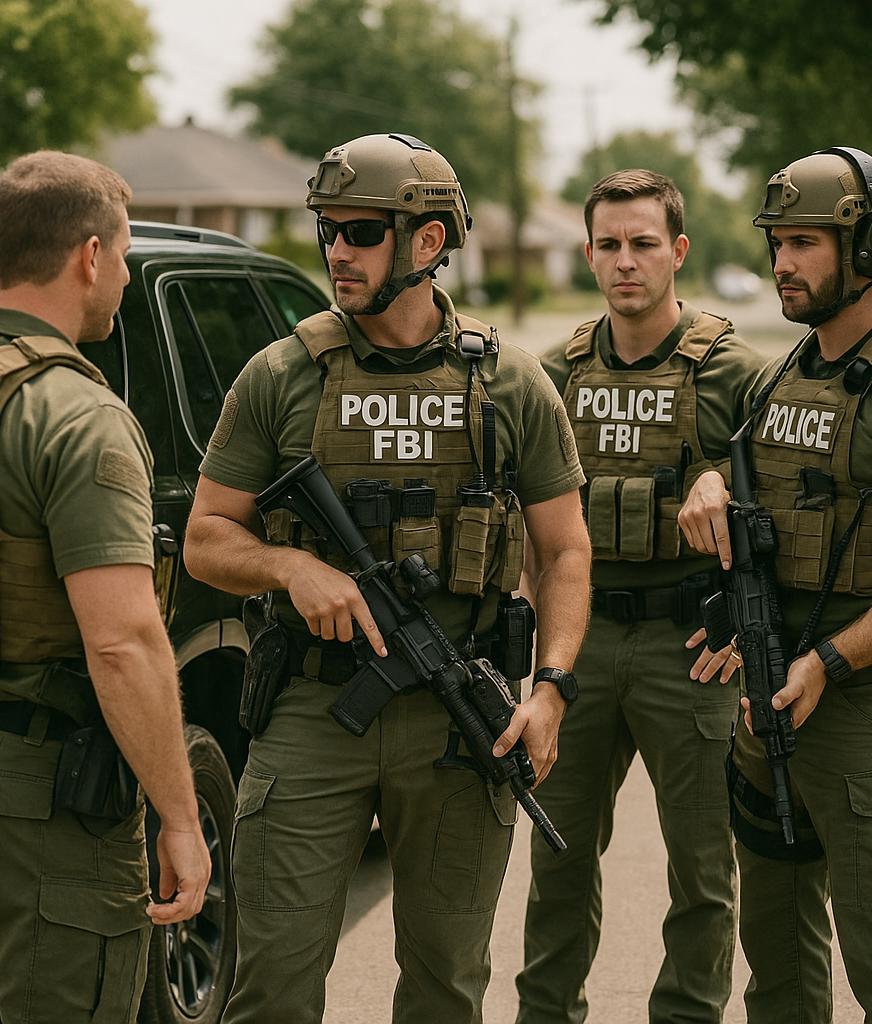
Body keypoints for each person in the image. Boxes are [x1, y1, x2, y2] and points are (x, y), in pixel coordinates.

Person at [183, 132, 591, 1024]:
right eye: (326, 228)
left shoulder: (511, 384)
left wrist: (553, 688)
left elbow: (563, 551)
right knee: (271, 988)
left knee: (446, 986)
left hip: (460, 726)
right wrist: (290, 565)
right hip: (309, 714)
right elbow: (205, 538)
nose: (336, 250)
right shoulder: (281, 373)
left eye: (361, 231)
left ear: (429, 241)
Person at [0, 151, 212, 1024]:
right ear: (89, 255)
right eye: (122, 257)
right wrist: (181, 818)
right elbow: (122, 641)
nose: (123, 278)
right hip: (37, 782)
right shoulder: (78, 416)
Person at [678, 147, 872, 1023]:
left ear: (868, 247)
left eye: (804, 242)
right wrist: (710, 480)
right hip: (766, 712)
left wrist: (832, 658)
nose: (781, 262)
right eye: (776, 241)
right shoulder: (778, 377)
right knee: (780, 975)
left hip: (866, 722)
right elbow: (749, 474)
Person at [515, 169, 765, 1024]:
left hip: (685, 649)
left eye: (644, 244)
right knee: (558, 867)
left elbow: (799, 514)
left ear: (678, 251)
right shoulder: (551, 375)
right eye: (610, 245)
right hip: (578, 653)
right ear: (588, 253)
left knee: (702, 871)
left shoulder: (736, 373)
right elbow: (520, 520)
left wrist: (723, 502)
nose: (627, 261)